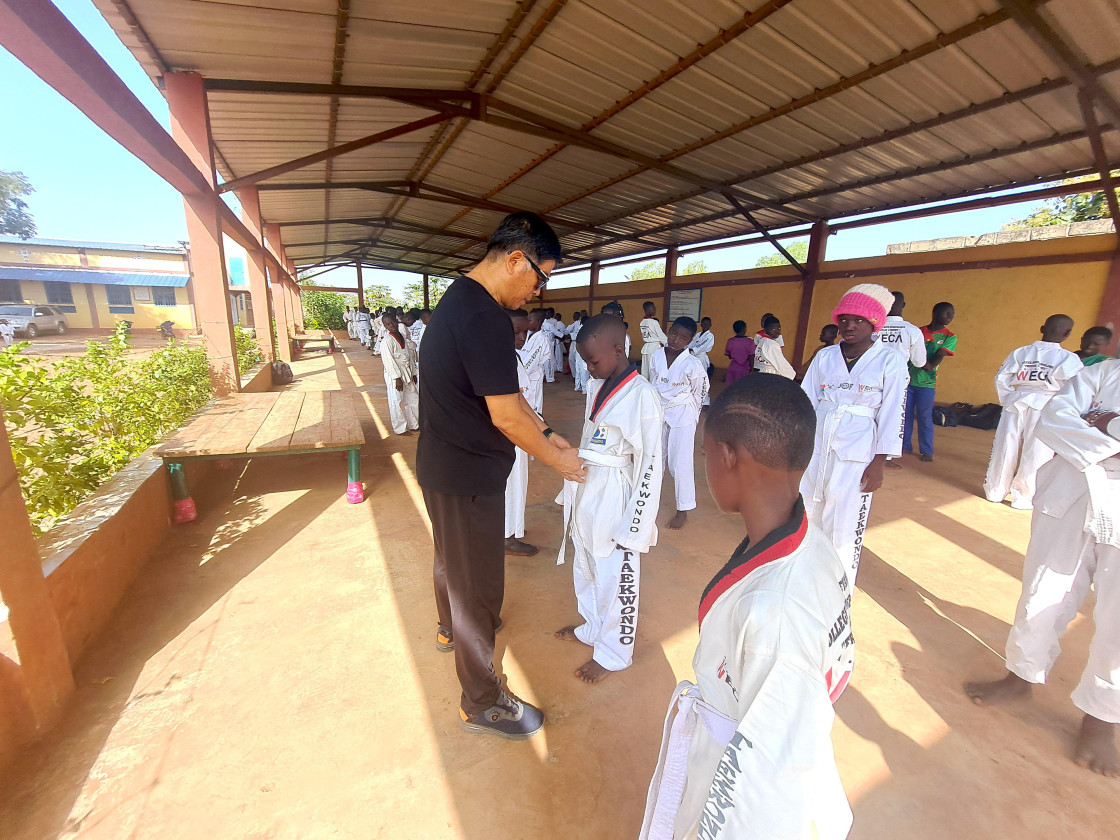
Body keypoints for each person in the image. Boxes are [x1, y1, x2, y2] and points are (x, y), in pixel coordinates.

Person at [639, 375, 854, 840]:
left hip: (740, 784)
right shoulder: (815, 547)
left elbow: (769, 786)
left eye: (704, 453)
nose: (705, 465)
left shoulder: (775, 611)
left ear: (727, 456)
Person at [416, 211, 585, 740]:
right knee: (477, 587)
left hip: (444, 467)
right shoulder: (485, 317)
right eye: (540, 278)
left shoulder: (461, 300)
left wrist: (549, 431)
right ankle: (482, 701)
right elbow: (506, 416)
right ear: (516, 260)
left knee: (453, 562)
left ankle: (450, 630)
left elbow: (506, 394)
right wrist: (559, 462)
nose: (537, 292)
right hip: (467, 475)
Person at [965, 359, 1120, 778]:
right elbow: (1054, 420)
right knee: (1042, 591)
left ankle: (1102, 718)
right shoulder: (1098, 375)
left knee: (1118, 622)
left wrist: (1107, 423)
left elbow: (1077, 425)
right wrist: (1112, 446)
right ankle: (1020, 676)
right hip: (1071, 492)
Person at [554, 315, 663, 683]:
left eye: (593, 360)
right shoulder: (597, 386)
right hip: (590, 487)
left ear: (619, 350)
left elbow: (650, 463)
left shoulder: (642, 395)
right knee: (585, 564)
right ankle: (591, 627)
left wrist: (637, 524)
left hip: (617, 494)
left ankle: (615, 653)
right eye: (585, 361)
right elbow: (589, 440)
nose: (589, 367)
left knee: (617, 575)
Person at [801, 284, 908, 584]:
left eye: (858, 320)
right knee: (808, 507)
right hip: (817, 442)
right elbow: (806, 399)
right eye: (844, 320)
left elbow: (892, 412)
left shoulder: (890, 360)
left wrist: (879, 462)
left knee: (844, 521)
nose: (849, 326)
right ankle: (805, 581)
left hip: (857, 450)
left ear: (874, 323)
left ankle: (837, 589)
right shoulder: (825, 357)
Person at [984, 314, 1082, 510]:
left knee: (1005, 445)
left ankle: (995, 490)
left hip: (1016, 401)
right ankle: (1024, 498)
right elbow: (1075, 388)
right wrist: (1062, 410)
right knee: (1038, 451)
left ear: (1042, 328)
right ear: (1068, 334)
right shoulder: (1069, 359)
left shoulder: (1021, 352)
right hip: (1046, 405)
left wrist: (1008, 399)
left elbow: (1001, 378)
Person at [650, 316, 708, 531]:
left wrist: (694, 415)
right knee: (654, 459)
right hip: (659, 411)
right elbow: (652, 381)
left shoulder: (693, 364)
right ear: (668, 330)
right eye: (673, 334)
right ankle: (648, 501)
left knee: (680, 463)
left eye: (683, 338)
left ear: (689, 341)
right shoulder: (656, 355)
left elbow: (701, 390)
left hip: (683, 414)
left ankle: (683, 509)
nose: (676, 340)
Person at [903, 302, 957, 462]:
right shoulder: (917, 332)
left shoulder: (949, 336)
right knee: (905, 416)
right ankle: (904, 446)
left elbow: (937, 359)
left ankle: (927, 451)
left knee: (925, 417)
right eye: (947, 313)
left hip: (927, 384)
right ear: (935, 313)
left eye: (952, 314)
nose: (951, 317)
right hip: (907, 381)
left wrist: (928, 365)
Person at [504, 309, 538, 557]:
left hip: (523, 429)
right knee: (511, 484)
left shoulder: (513, 356)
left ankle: (512, 528)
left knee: (518, 483)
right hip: (510, 433)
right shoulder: (500, 361)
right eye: (516, 332)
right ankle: (506, 536)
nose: (522, 337)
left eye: (525, 332)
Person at [380, 312, 420, 435]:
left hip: (407, 371)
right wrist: (397, 378)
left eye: (393, 322)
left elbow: (409, 356)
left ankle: (414, 424)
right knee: (396, 401)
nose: (392, 325)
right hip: (395, 374)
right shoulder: (386, 341)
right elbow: (388, 362)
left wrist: (413, 373)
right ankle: (400, 428)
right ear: (385, 326)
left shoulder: (402, 335)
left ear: (397, 320)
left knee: (413, 398)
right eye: (388, 324)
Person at [876, 291, 927, 369]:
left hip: (873, 373)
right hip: (899, 373)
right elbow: (919, 362)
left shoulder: (872, 328)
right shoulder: (913, 331)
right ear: (903, 305)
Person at [521, 308, 550, 414]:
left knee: (533, 407)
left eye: (530, 320)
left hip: (532, 377)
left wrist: (520, 376)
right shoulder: (527, 335)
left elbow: (531, 362)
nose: (527, 323)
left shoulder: (541, 340)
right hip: (523, 376)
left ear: (538, 322)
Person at [688, 316, 715, 406]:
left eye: (707, 324)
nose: (705, 325)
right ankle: (694, 398)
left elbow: (703, 346)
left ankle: (705, 401)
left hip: (701, 358)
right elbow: (691, 344)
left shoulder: (710, 336)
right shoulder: (698, 334)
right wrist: (687, 348)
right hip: (693, 357)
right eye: (704, 324)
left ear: (710, 325)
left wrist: (693, 350)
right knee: (693, 378)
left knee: (702, 379)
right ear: (701, 324)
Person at [640, 300, 669, 380]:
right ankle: (653, 386)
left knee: (645, 371)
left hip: (646, 348)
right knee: (653, 371)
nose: (655, 310)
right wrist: (669, 345)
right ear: (647, 310)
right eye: (653, 308)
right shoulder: (654, 322)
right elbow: (661, 335)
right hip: (654, 349)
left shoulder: (642, 322)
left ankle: (644, 385)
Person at [723, 320, 756, 385]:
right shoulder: (750, 341)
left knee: (732, 387)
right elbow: (751, 357)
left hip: (733, 368)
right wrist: (752, 369)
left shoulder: (730, 341)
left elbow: (729, 356)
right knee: (743, 387)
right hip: (745, 369)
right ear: (744, 329)